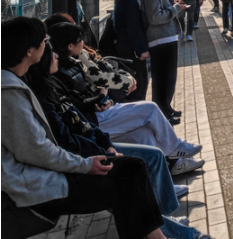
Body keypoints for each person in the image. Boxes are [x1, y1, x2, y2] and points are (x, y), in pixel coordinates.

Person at [21, 40, 214, 239]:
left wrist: (105, 142)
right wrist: (100, 150)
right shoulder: (41, 94)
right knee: (132, 171)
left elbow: (82, 121)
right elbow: (65, 138)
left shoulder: (55, 83)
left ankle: (166, 216)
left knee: (146, 142)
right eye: (48, 52)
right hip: (83, 158)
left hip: (94, 142)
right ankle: (179, 228)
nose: (55, 56)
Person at [1, 17, 168, 239]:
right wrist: (85, 165)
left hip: (51, 170)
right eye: (44, 40)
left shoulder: (19, 83)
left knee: (132, 169)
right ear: (30, 51)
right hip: (32, 185)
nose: (49, 47)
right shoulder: (9, 91)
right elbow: (36, 150)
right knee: (127, 178)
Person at [49, 22, 205, 177]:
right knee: (150, 109)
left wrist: (102, 100)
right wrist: (101, 96)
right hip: (94, 121)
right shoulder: (63, 71)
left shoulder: (73, 63)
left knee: (144, 135)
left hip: (98, 113)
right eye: (80, 39)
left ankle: (163, 182)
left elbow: (81, 98)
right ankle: (175, 147)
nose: (83, 43)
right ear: (70, 45)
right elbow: (78, 102)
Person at [141, 0, 187, 123]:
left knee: (170, 78)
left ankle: (166, 107)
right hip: (159, 41)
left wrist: (175, 4)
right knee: (161, 80)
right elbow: (155, 17)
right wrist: (175, 9)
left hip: (168, 38)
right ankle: (161, 114)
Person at [113, 0, 150, 101]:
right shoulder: (130, 1)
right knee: (139, 84)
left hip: (124, 49)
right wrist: (142, 50)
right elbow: (134, 28)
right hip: (133, 52)